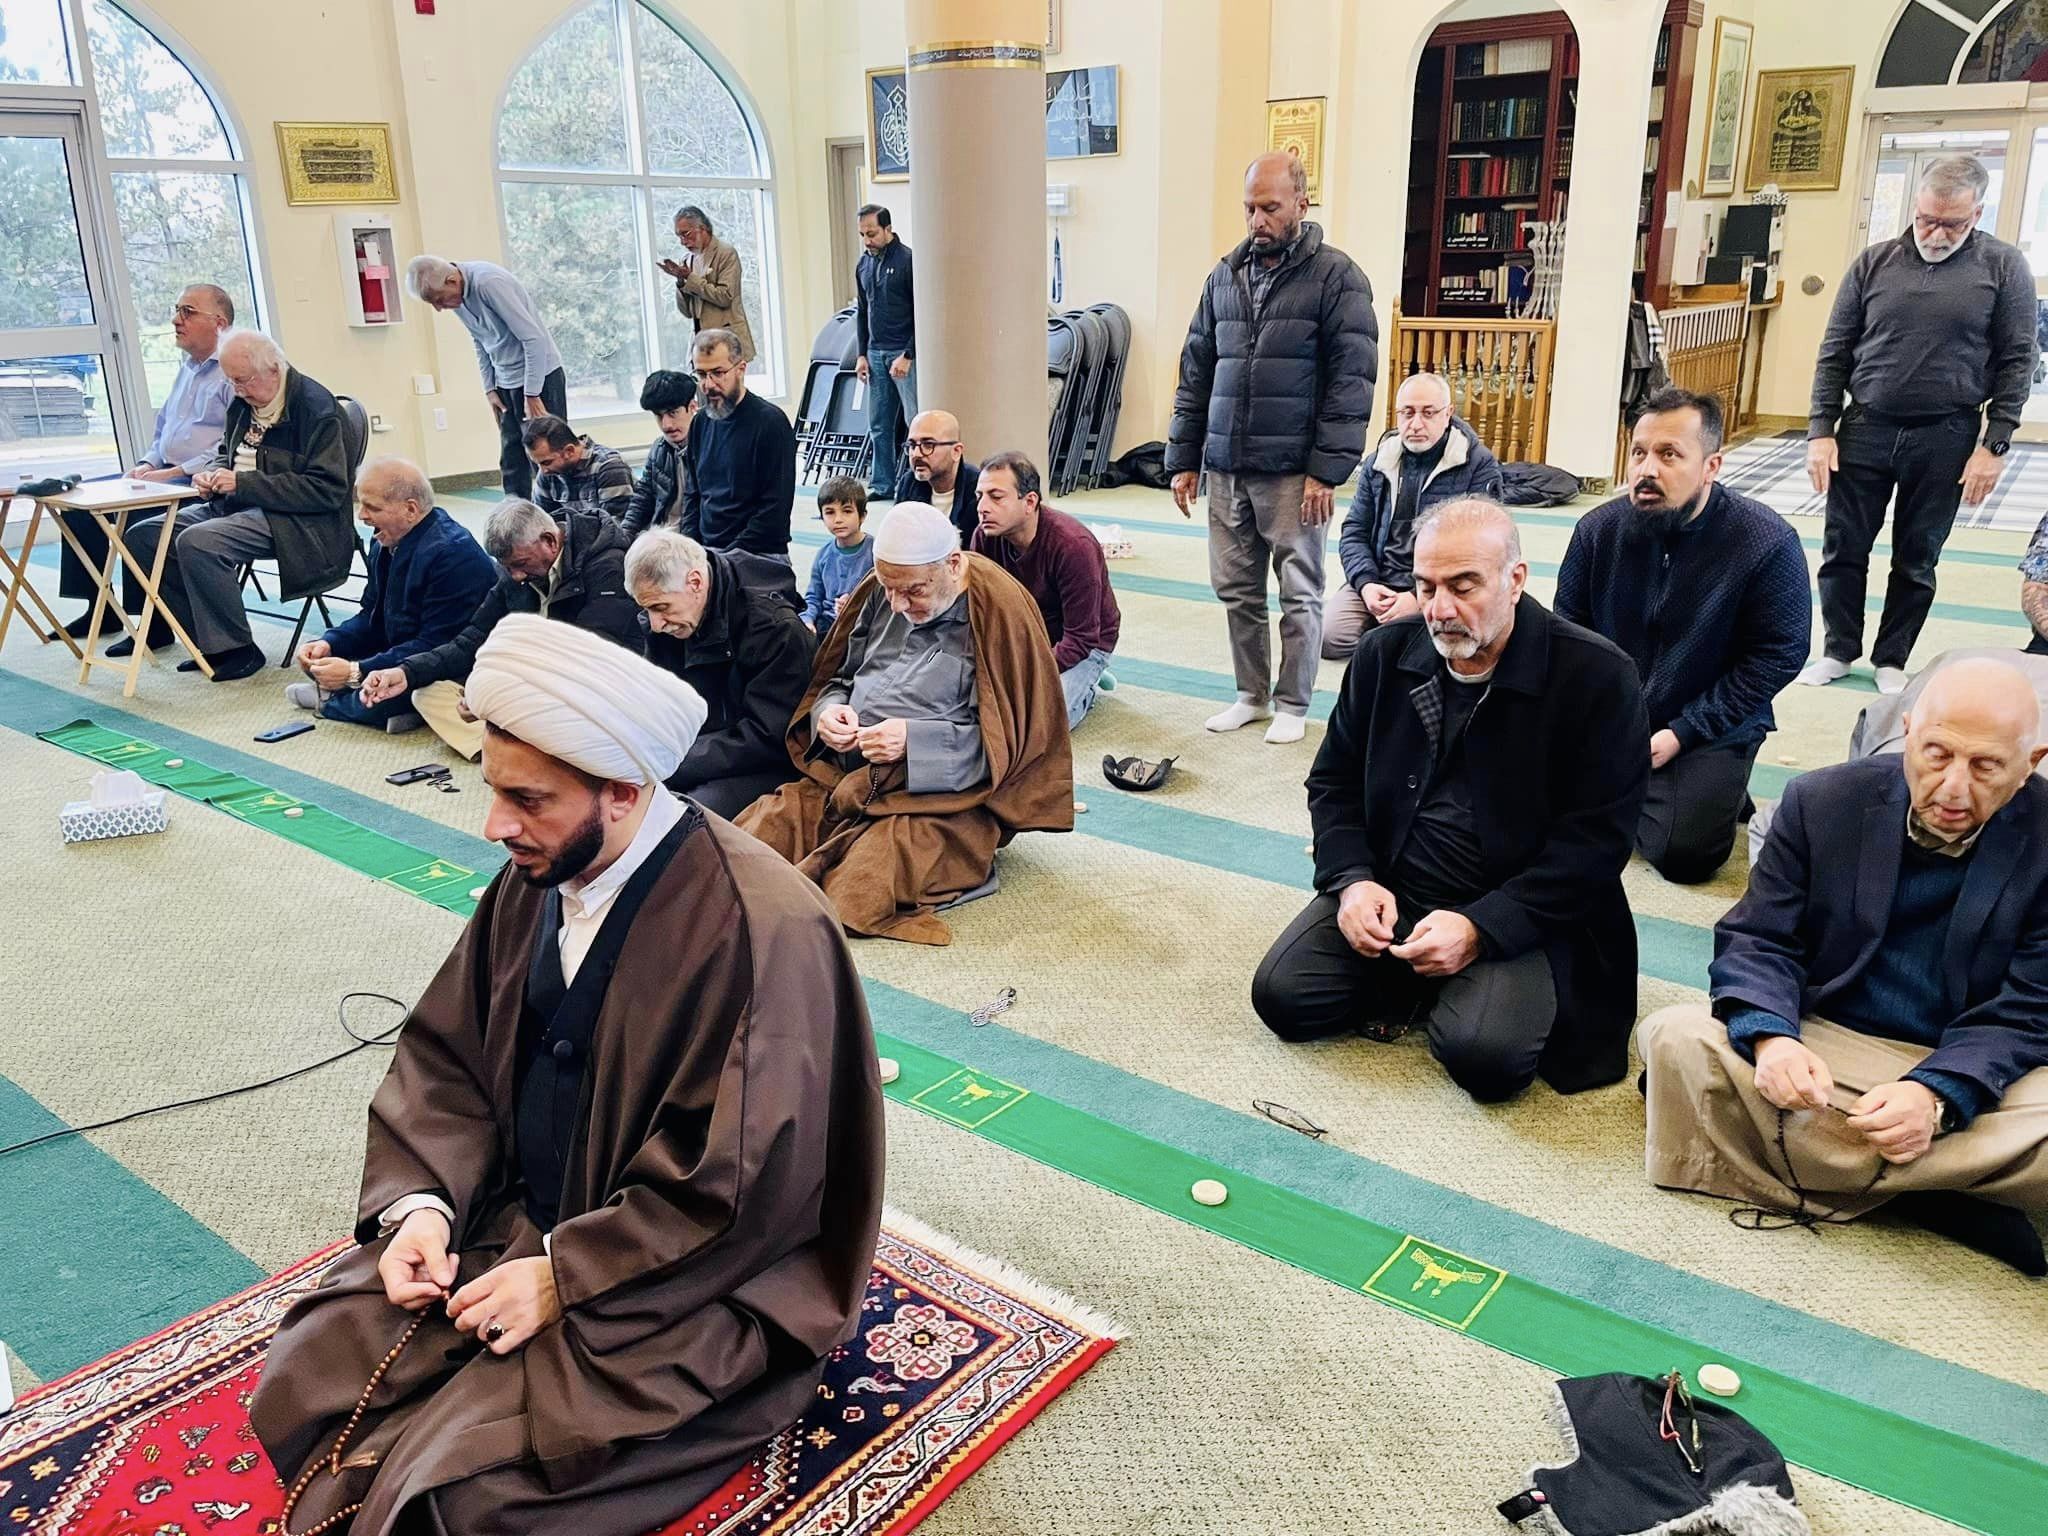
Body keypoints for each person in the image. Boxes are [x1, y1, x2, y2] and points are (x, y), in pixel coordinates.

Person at [250, 614, 885, 1536]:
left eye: (530, 799)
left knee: (460, 1499)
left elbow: (747, 1185)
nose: (496, 824)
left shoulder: (763, 930)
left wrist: (564, 1274)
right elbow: (450, 1059)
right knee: (310, 1372)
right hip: (519, 1217)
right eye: (493, 789)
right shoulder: (542, 868)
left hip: (686, 1274)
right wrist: (422, 1204)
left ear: (624, 791)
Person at [1642, 657, 2048, 1276]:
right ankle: (1938, 1189)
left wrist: (1937, 1097)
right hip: (1829, 1048)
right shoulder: (1823, 799)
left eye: (1986, 766)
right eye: (1937, 754)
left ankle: (1837, 1168)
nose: (1954, 788)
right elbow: (1758, 940)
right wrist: (1774, 1041)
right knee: (1672, 1036)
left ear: (2032, 764)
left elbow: (2028, 1010)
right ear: (1909, 732)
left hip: (1970, 1058)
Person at [1251, 500, 1650, 1101]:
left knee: (1487, 1059)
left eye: (1464, 587)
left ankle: (1440, 976)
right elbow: (1332, 783)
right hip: (1395, 882)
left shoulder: (1596, 676)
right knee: (1283, 998)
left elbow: (1595, 845)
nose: (1440, 610)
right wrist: (1354, 880)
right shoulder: (1386, 653)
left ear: (1515, 579)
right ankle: (1421, 971)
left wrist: (1480, 928)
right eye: (1425, 586)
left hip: (1515, 903)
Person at [738, 502, 1073, 945]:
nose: (896, 605)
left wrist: (914, 741)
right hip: (848, 775)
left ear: (953, 565)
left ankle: (964, 864)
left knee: (858, 890)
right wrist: (828, 715)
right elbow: (837, 679)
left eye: (912, 591)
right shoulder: (884, 591)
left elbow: (1014, 744)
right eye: (889, 590)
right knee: (751, 839)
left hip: (940, 799)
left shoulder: (1000, 611)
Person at [1802, 154, 2038, 696]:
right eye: (1926, 218)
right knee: (1844, 548)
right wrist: (1820, 430)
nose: (1935, 233)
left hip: (1947, 432)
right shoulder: (1874, 263)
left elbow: (2017, 359)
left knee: (1917, 556)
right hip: (1865, 425)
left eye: (1951, 224)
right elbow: (1834, 351)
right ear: (1915, 205)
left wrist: (1994, 443)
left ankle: (1892, 658)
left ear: (1977, 213)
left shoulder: (2003, 268)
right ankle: (1838, 649)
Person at [1553, 387, 1811, 883]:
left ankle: (1710, 784)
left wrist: (1684, 732)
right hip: (1611, 716)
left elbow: (1780, 653)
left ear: (1712, 465)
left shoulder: (1765, 541)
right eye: (1639, 452)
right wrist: (1598, 721)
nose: (1648, 469)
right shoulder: (1597, 531)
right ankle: (1648, 785)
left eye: (1669, 454)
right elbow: (1568, 633)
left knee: (1682, 852)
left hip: (1706, 723)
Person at [1168, 151, 1377, 744]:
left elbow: (1351, 379)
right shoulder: (1224, 275)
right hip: (1227, 465)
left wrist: (1326, 471)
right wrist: (1185, 458)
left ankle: (1292, 704)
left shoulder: (1337, 277)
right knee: (1235, 589)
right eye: (1250, 208)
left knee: (1298, 590)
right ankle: (1251, 695)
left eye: (1270, 207)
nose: (1257, 219)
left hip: (1293, 471)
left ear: (1301, 205)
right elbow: (1196, 372)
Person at [108, 330, 355, 681]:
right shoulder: (244, 402)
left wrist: (242, 483)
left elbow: (326, 490)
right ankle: (205, 642)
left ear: (274, 369)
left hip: (297, 521)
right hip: (238, 504)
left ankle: (236, 650)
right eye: (231, 381)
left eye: (243, 380)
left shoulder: (317, 410)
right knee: (145, 536)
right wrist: (212, 475)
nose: (237, 389)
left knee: (198, 541)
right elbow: (229, 451)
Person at [360, 498, 642, 760]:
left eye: (520, 564)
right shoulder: (515, 573)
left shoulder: (607, 563)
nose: (516, 575)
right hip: (533, 683)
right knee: (427, 693)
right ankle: (513, 746)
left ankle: (515, 744)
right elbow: (471, 640)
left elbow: (591, 655)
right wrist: (405, 672)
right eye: (507, 568)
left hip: (590, 684)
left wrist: (504, 695)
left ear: (549, 541)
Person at [54, 283, 237, 641]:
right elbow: (164, 430)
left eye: (187, 312)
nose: (176, 320)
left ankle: (156, 621)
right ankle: (100, 608)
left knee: (138, 516)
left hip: (197, 480)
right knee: (80, 504)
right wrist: (146, 462)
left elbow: (227, 445)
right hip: (164, 471)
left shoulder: (232, 371)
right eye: (177, 310)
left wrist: (174, 472)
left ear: (219, 323)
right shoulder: (188, 369)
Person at [287, 458, 498, 737]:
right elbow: (371, 614)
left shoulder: (452, 554)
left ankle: (335, 701)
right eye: (361, 504)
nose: (361, 515)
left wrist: (356, 671)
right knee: (330, 659)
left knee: (399, 690)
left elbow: (438, 646)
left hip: (446, 661)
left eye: (372, 507)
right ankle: (369, 701)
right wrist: (329, 642)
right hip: (406, 646)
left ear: (410, 509)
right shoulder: (385, 541)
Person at [628, 529, 819, 819]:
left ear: (695, 582)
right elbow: (654, 699)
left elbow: (769, 736)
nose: (655, 624)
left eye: (660, 608)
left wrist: (675, 763)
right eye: (646, 609)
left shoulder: (773, 627)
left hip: (767, 761)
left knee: (679, 818)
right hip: (703, 748)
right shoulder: (674, 615)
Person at [1325, 372, 1503, 662]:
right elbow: (1354, 531)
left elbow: (1483, 549)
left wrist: (1419, 595)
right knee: (1330, 638)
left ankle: (1401, 631)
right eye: (1407, 413)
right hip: (1379, 579)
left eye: (1428, 413)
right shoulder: (1378, 462)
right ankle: (1391, 630)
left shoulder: (1476, 464)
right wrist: (1366, 584)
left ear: (1448, 414)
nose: (1416, 423)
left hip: (1441, 587)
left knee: (1427, 644)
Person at [970, 451, 1121, 729]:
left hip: (1083, 645)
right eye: (980, 496)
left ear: (1030, 502)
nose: (983, 506)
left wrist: (1025, 674)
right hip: (1025, 636)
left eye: (996, 496)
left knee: (1043, 724)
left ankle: (1089, 682)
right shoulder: (984, 536)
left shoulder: (1073, 547)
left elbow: (1082, 638)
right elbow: (982, 613)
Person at [406, 255, 567, 501]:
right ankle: (515, 517)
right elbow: (480, 340)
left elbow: (534, 339)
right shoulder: (457, 298)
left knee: (547, 455)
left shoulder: (489, 283)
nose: (440, 308)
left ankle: (560, 514)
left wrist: (533, 393)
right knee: (511, 456)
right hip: (506, 382)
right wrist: (490, 389)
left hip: (539, 377)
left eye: (439, 300)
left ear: (452, 280)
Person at [684, 328, 797, 557]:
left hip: (758, 555)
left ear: (741, 369)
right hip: (708, 554)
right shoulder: (700, 424)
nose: (708, 384)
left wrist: (725, 560)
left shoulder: (770, 423)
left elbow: (774, 512)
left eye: (718, 372)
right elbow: (693, 495)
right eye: (701, 374)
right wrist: (692, 550)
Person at [853, 204, 916, 498]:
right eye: (863, 234)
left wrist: (908, 354)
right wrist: (862, 354)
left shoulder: (907, 261)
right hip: (875, 353)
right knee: (878, 423)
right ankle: (881, 484)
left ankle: (918, 483)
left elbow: (921, 312)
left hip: (903, 354)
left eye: (872, 233)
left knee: (913, 423)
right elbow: (862, 312)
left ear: (888, 229)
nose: (867, 240)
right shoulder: (863, 264)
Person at [660, 205, 756, 363]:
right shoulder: (686, 260)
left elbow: (725, 297)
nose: (683, 242)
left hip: (727, 340)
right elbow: (687, 312)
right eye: (679, 236)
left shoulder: (725, 253)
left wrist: (690, 278)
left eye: (686, 234)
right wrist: (680, 282)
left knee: (728, 387)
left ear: (702, 228)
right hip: (701, 341)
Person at [619, 369, 697, 538]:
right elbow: (642, 498)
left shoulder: (709, 447)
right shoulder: (659, 449)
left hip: (693, 543)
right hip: (660, 536)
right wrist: (622, 538)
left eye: (673, 413)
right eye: (658, 415)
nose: (666, 424)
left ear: (692, 407)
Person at [522, 415, 633, 523]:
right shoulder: (548, 472)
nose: (543, 470)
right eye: (537, 464)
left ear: (569, 451)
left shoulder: (610, 467)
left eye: (546, 462)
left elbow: (616, 529)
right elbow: (540, 521)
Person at [892, 409, 980, 543]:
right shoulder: (908, 482)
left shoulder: (978, 489)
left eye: (928, 445)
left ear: (956, 451)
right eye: (912, 445)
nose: (916, 454)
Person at [804, 475, 875, 631]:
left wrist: (854, 604)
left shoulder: (875, 553)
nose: (838, 519)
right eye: (830, 512)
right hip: (828, 622)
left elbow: (883, 598)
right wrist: (807, 619)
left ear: (862, 516)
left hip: (863, 623)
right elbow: (814, 597)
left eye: (847, 511)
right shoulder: (823, 555)